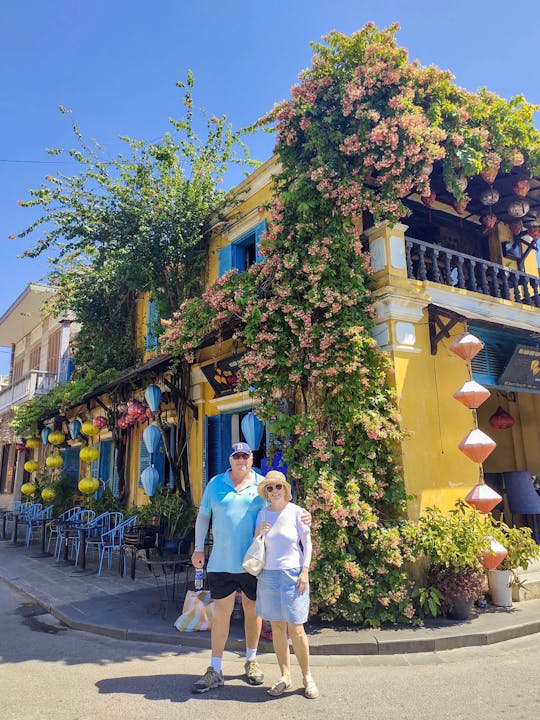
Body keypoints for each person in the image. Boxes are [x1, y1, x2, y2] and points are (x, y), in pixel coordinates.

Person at [191, 441, 266, 694]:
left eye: (245, 456)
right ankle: (215, 668)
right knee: (220, 615)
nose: (241, 460)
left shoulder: (263, 484)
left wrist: (301, 517)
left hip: (253, 563)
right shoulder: (215, 484)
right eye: (237, 456)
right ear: (230, 460)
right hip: (221, 562)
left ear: (252, 459)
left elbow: (278, 511)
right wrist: (198, 548)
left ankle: (251, 661)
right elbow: (203, 516)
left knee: (252, 611)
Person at [254, 470, 319, 699]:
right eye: (269, 488)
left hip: (293, 574)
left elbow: (307, 543)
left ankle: (307, 676)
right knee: (278, 628)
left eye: (278, 487)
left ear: (285, 489)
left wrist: (305, 571)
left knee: (297, 628)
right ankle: (285, 676)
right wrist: (258, 533)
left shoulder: (297, 512)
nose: (274, 491)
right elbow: (257, 546)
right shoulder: (262, 514)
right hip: (268, 575)